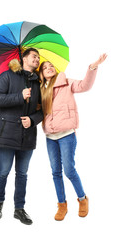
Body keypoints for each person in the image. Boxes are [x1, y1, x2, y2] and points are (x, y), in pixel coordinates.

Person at [39, 54, 107, 220]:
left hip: (67, 135)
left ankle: (82, 199)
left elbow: (85, 85)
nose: (49, 68)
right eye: (45, 67)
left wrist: (92, 67)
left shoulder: (66, 82)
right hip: (50, 137)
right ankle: (62, 205)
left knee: (69, 170)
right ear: (41, 73)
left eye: (51, 66)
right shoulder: (40, 90)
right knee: (55, 172)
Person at [0, 48, 43, 225]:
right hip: (7, 132)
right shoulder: (7, 76)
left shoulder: (37, 83)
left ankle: (19, 209)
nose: (37, 60)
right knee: (3, 171)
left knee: (22, 173)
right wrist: (19, 96)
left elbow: (42, 110)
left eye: (38, 58)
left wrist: (32, 120)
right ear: (24, 58)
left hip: (27, 135)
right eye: (34, 57)